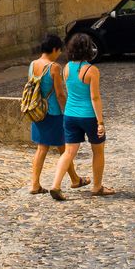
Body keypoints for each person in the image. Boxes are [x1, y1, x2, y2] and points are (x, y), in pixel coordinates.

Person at [50, 33, 113, 199]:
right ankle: (97, 187)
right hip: (89, 116)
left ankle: (55, 185)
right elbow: (95, 97)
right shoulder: (91, 70)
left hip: (70, 115)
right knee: (98, 150)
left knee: (69, 152)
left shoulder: (67, 68)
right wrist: (100, 122)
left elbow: (69, 91)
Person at [26, 34, 87, 195]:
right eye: (59, 50)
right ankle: (73, 179)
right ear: (54, 49)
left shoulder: (32, 64)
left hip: (38, 111)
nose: (59, 54)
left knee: (46, 147)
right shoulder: (54, 67)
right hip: (53, 112)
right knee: (62, 148)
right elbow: (60, 94)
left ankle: (37, 183)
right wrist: (67, 111)